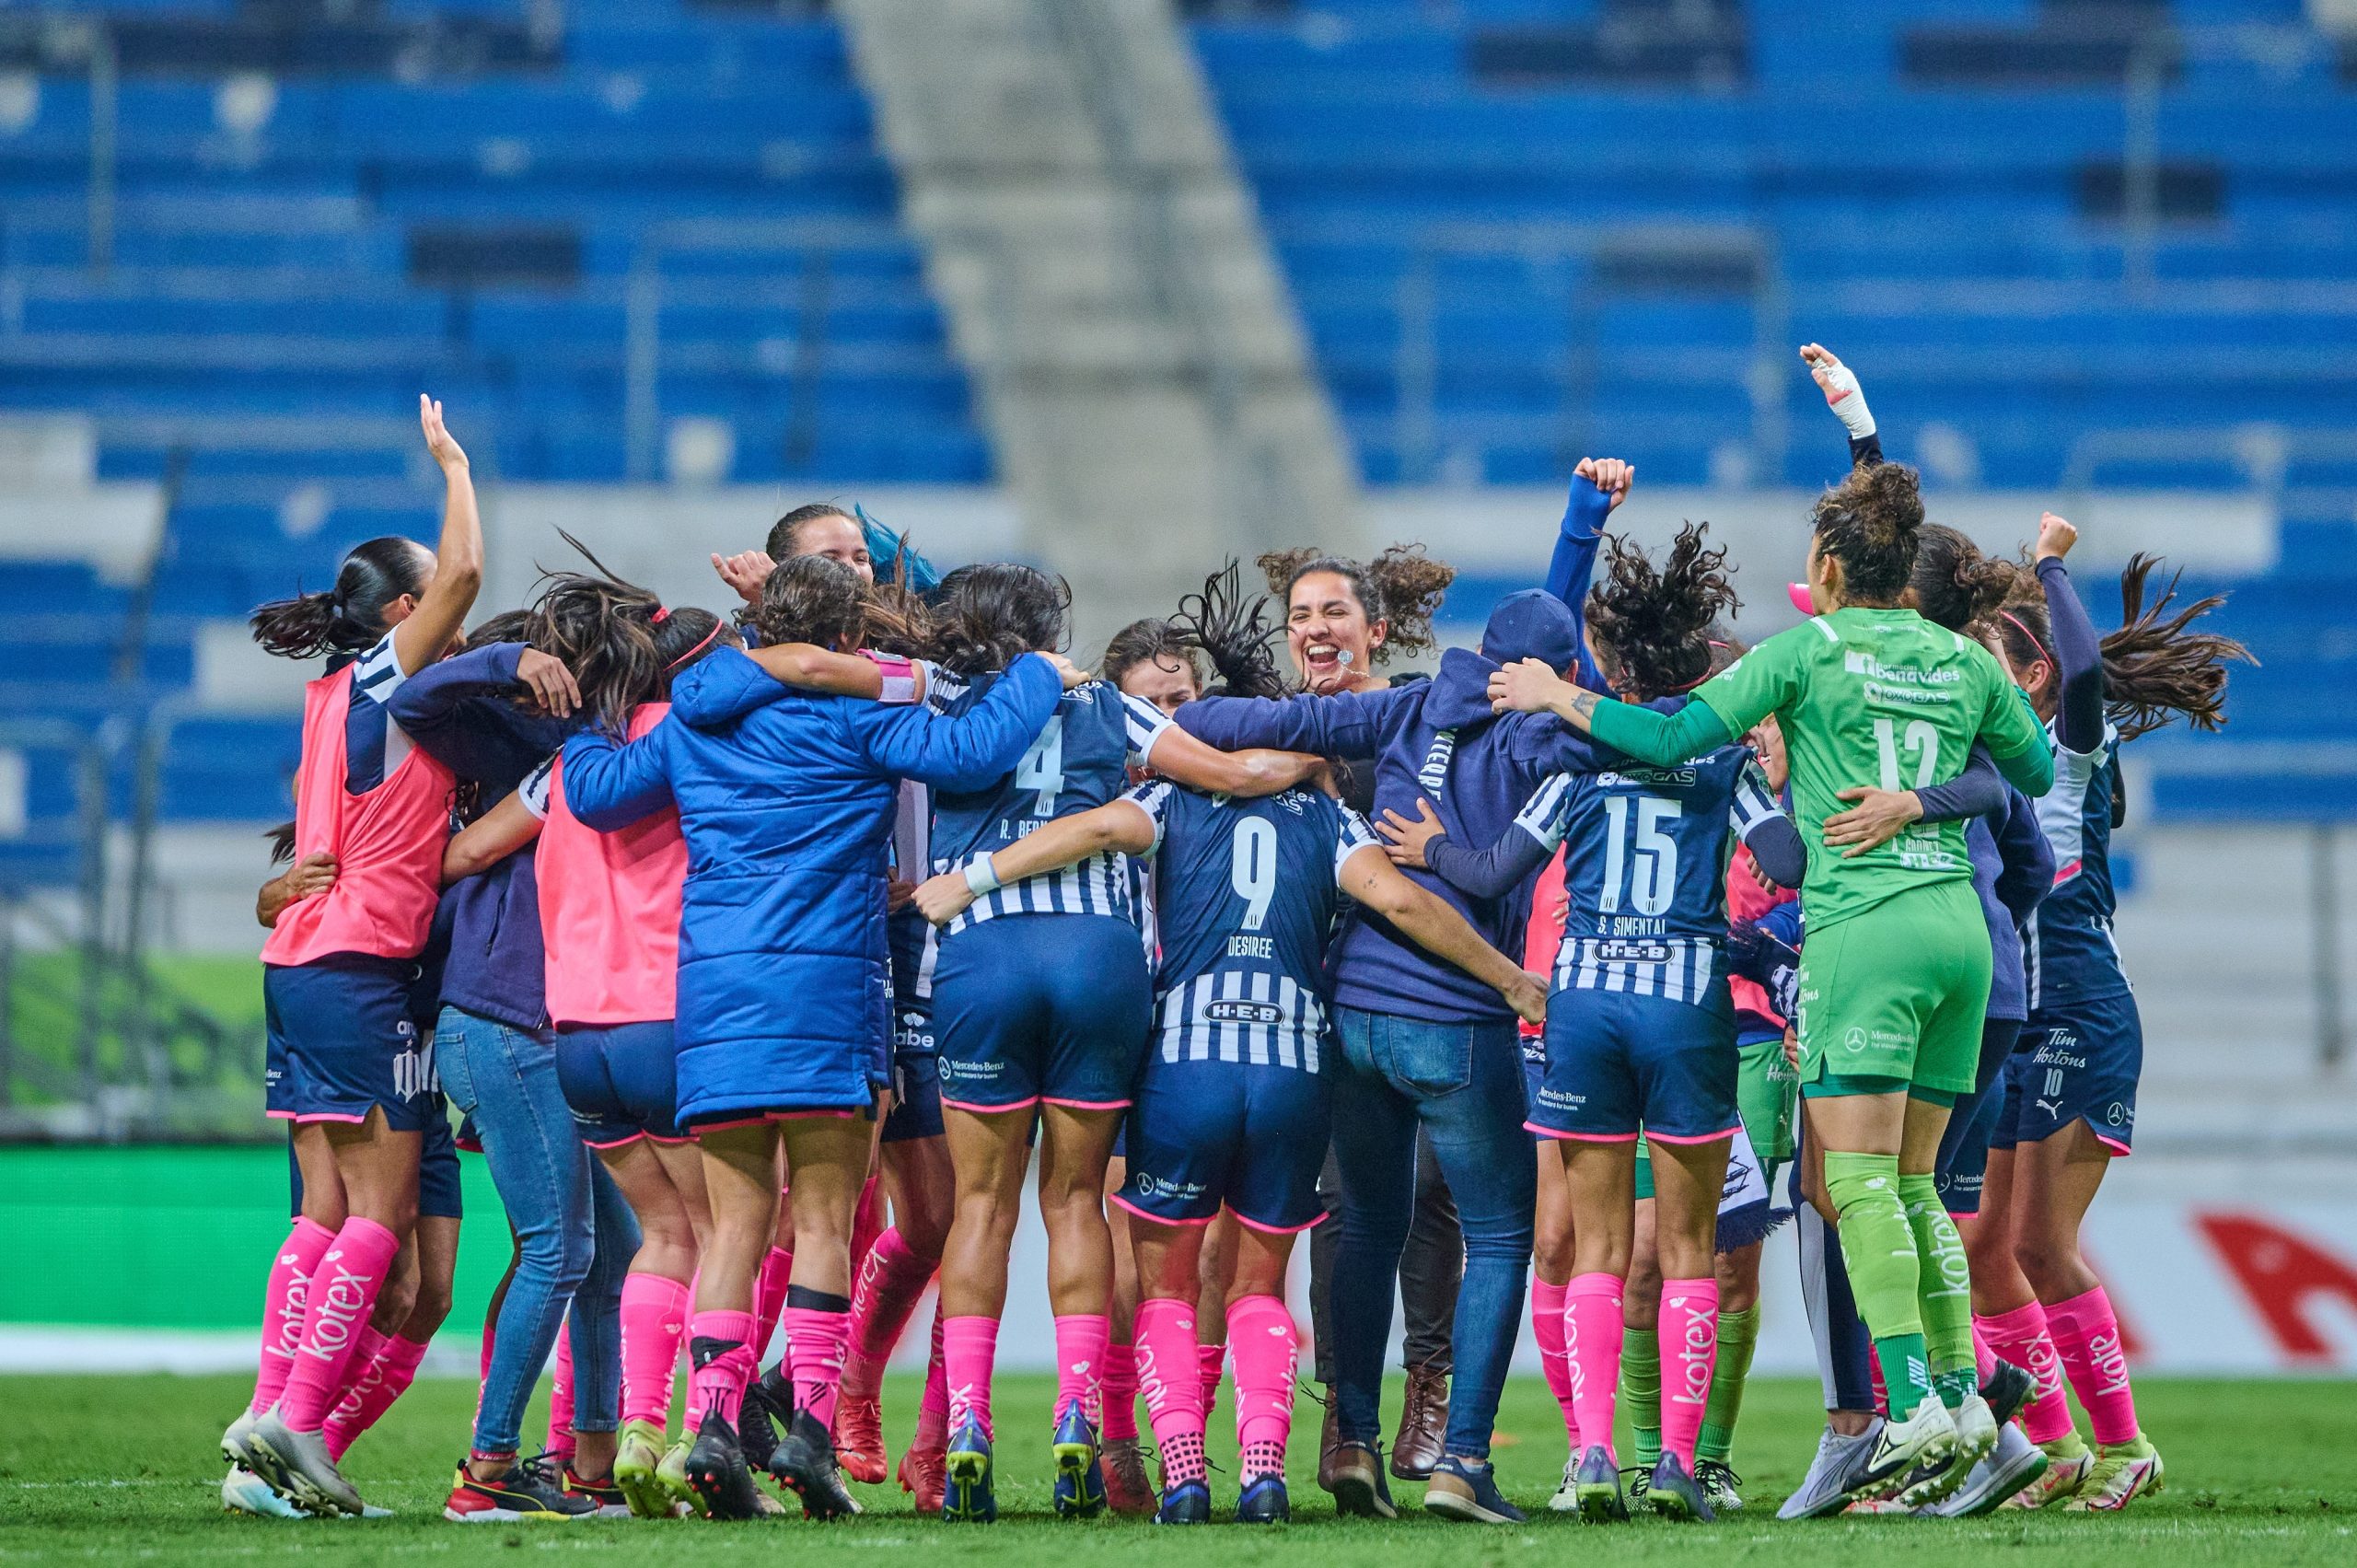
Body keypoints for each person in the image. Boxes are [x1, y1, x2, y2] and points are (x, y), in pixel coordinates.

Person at [914, 572, 1546, 1525]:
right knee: (1257, 1282)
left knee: (1141, 1271)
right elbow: (1404, 901)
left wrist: (972, 877)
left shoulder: (1163, 800)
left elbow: (1104, 822)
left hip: (1178, 1056)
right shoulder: (1327, 814)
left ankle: (1163, 1464)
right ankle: (1262, 1468)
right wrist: (1510, 978)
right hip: (1293, 1063)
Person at [1489, 456, 2054, 1509]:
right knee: (1917, 1183)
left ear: (1829, 564)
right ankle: (1964, 1399)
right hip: (1960, 937)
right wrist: (1922, 797)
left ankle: (1915, 1404)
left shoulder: (1803, 652)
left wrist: (1557, 691)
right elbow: (2028, 771)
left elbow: (1670, 734)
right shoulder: (1957, 656)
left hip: (1865, 930)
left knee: (1857, 1183)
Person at [560, 555, 1079, 1521]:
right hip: (829, 992)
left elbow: (594, 792)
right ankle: (807, 1428)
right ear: (849, 639)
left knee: (734, 1224)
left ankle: (714, 1426)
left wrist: (597, 697)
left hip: (716, 999)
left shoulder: (693, 720)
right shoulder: (857, 716)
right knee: (826, 1223)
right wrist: (1040, 671)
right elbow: (976, 751)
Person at [1177, 564, 1639, 1527]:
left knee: (1366, 1225)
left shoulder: (1405, 705)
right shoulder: (1544, 733)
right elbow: (1635, 735)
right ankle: (1461, 1458)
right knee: (1498, 1234)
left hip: (1353, 1012)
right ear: (1554, 670)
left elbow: (1248, 719)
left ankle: (1352, 1436)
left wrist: (1181, 731)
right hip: (1456, 1015)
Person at [1383, 523, 1806, 1522]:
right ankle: (1678, 1465)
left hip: (1581, 1010)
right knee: (1689, 1247)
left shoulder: (1575, 758)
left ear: (1610, 668)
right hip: (1687, 1007)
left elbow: (1494, 872)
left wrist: (1434, 847)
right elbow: (1787, 862)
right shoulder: (1719, 759)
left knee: (1596, 1248)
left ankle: (1594, 1454)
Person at [915, 563, 1323, 1523]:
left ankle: (969, 1422)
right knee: (1075, 1199)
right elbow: (1235, 775)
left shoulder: (938, 708)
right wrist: (1316, 757)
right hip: (1101, 961)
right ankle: (1076, 1414)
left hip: (982, 954)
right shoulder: (1112, 708)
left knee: (980, 1204)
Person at [232, 397, 483, 1517]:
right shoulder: (388, 675)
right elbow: (465, 572)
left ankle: (269, 1420)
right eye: (429, 597)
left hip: (305, 963)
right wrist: (455, 466)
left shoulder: (331, 694)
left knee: (328, 1215)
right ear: (401, 611)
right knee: (377, 1221)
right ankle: (292, 1420)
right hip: (360, 966)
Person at [1968, 517, 2246, 1512]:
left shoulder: (2069, 744)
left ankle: (2126, 1445)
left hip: (2081, 1012)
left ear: (2035, 676)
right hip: (2016, 1019)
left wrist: (2049, 563)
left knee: (2040, 1244)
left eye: (1991, 667)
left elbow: (2085, 671)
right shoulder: (1989, 755)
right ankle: (2057, 1448)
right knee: (1985, 1249)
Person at [1257, 544, 1469, 1482]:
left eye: (1334, 611)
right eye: (1301, 615)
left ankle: (1429, 1385)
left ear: (1375, 628)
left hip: (1427, 983)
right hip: (1320, 996)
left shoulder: (1416, 713)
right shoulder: (1277, 728)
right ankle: (1347, 1418)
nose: (1316, 628)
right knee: (1341, 1205)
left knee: (1431, 1193)